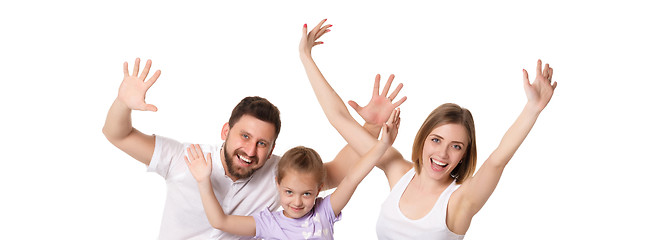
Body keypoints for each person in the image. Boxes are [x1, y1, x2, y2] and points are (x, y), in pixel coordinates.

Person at [299, 19, 557, 239]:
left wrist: (532, 109)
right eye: (436, 140)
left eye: (456, 146)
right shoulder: (398, 171)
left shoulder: (459, 200)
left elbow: (497, 161)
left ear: (465, 155)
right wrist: (306, 56)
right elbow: (339, 119)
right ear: (423, 140)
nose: (443, 154)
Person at [101, 58, 405, 239]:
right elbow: (118, 134)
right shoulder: (188, 158)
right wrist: (122, 104)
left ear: (273, 148)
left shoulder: (282, 176)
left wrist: (372, 128)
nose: (250, 150)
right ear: (226, 131)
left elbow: (340, 174)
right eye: (244, 136)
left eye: (262, 143)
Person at [184, 109, 400, 239]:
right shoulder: (268, 223)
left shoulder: (324, 212)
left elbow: (353, 177)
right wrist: (204, 181)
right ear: (277, 184)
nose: (296, 202)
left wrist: (382, 146)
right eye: (289, 192)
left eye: (306, 194)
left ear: (319, 188)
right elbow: (220, 221)